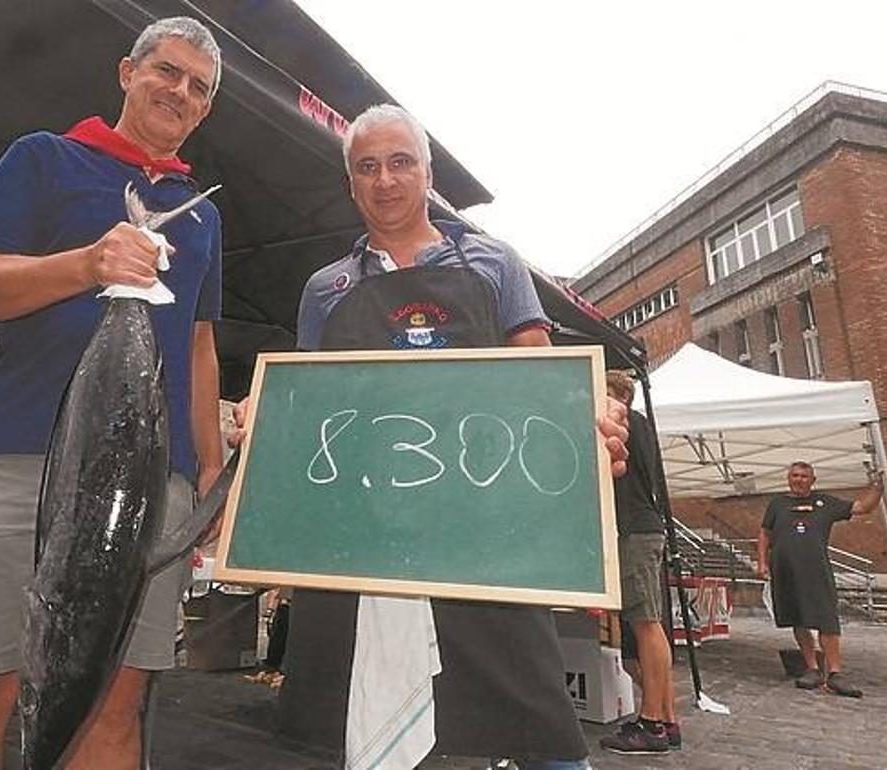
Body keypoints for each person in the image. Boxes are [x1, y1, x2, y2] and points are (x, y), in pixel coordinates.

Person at [256, 104, 628, 770]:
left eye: (401, 162)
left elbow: (543, 388)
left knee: (540, 733)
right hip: (365, 546)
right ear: (351, 183)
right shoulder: (325, 289)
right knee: (371, 737)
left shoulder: (494, 263)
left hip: (484, 542)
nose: (386, 180)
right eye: (367, 167)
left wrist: (592, 415)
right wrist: (263, 427)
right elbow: (310, 412)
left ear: (428, 172)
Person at [0, 17, 225, 769]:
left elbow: (202, 345)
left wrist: (209, 468)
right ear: (126, 72)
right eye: (166, 72)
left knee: (114, 712)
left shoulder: (203, 213)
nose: (179, 92)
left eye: (197, 87)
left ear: (205, 110)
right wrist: (89, 264)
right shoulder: (44, 158)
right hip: (15, 457)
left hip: (150, 487)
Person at [599, 371, 679, 755]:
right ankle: (666, 719)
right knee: (650, 627)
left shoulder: (626, 421)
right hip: (644, 529)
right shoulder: (643, 425)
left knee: (647, 626)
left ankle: (651, 725)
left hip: (635, 530)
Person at [758, 461, 884, 698]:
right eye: (794, 475)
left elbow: (862, 508)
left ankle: (835, 673)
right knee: (798, 619)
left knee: (826, 619)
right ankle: (812, 668)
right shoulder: (777, 504)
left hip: (816, 571)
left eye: (804, 476)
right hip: (784, 571)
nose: (798, 479)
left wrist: (878, 488)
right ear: (788, 478)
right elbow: (765, 532)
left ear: (813, 480)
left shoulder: (825, 503)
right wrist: (762, 562)